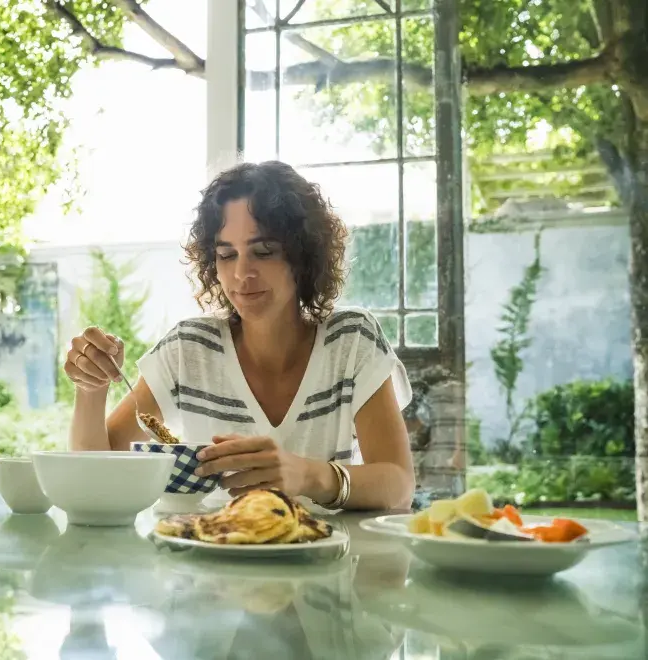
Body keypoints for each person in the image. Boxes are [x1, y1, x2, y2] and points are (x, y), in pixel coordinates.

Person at [64, 161, 415, 510]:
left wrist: (309, 476)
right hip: (212, 541)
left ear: (303, 256)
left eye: (263, 252)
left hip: (324, 545)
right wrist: (91, 389)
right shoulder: (189, 350)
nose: (241, 273)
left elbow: (399, 486)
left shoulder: (350, 341)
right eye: (226, 254)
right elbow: (96, 472)